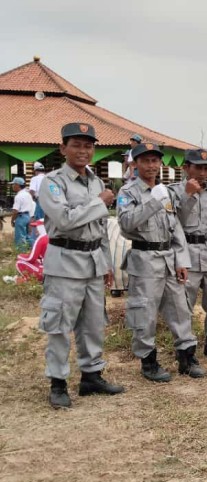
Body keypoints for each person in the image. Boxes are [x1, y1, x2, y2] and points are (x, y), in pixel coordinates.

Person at [39, 122, 123, 408]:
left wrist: (108, 264)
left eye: (88, 145)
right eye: (76, 144)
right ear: (63, 148)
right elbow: (64, 220)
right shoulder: (53, 182)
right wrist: (100, 202)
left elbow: (100, 230)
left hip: (92, 261)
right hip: (64, 262)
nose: (83, 150)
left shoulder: (96, 182)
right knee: (60, 324)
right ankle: (58, 382)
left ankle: (91, 375)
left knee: (93, 323)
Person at [117, 143, 204, 381]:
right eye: (145, 161)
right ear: (134, 164)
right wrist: (152, 202)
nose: (151, 166)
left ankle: (186, 357)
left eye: (155, 161)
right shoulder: (128, 193)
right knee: (144, 312)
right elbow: (126, 224)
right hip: (144, 259)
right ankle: (149, 362)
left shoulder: (164, 191)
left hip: (168, 258)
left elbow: (175, 228)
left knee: (180, 308)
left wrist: (181, 261)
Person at [170, 149, 207, 360]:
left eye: (206, 168)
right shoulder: (174, 192)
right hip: (186, 251)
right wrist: (188, 195)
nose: (203, 172)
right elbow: (174, 219)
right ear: (186, 168)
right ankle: (185, 348)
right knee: (184, 303)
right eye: (198, 167)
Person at [7, 219, 48, 283]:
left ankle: (27, 280)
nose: (36, 230)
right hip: (56, 271)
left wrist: (20, 256)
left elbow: (31, 258)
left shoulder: (42, 238)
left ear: (41, 227)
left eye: (37, 227)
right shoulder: (53, 237)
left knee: (19, 262)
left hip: (45, 272)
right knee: (37, 261)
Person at [11, 177, 34, 251]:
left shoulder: (18, 196)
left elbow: (15, 211)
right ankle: (33, 250)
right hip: (28, 216)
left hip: (21, 217)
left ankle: (21, 253)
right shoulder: (28, 194)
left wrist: (12, 220)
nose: (12, 186)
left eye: (13, 184)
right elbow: (31, 206)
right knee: (28, 236)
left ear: (17, 185)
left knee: (20, 236)